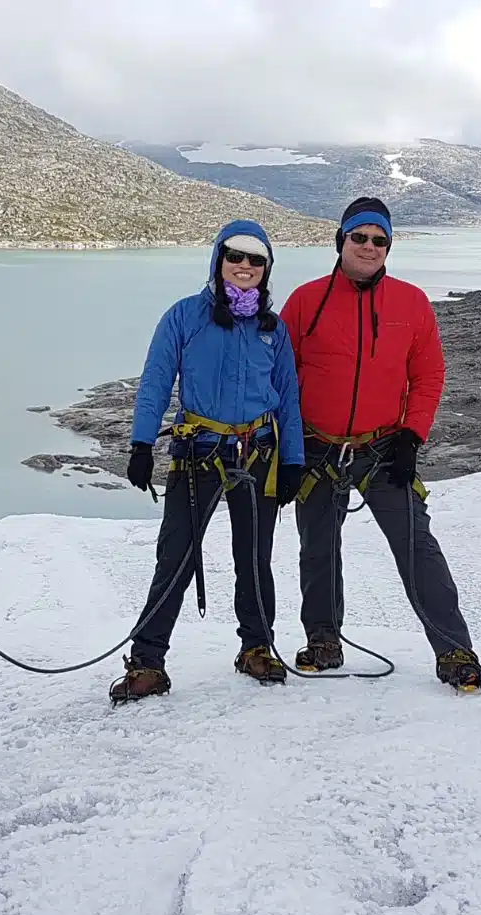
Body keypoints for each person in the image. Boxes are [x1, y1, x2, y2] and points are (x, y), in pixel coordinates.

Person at [279, 197, 481, 691]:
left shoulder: (411, 302)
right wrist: (288, 449)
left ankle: (454, 651)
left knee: (417, 545)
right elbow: (281, 379)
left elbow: (429, 374)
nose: (369, 247)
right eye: (360, 237)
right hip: (317, 447)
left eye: (380, 240)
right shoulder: (305, 301)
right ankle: (324, 639)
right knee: (319, 547)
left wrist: (413, 435)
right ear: (341, 241)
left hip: (384, 447)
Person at [108, 220, 306, 702]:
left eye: (255, 259)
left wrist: (294, 460)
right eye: (235, 255)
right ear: (218, 260)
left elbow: (288, 399)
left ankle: (257, 647)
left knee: (255, 558)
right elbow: (156, 380)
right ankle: (148, 662)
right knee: (175, 557)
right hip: (198, 453)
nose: (244, 265)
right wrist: (140, 445)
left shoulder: (272, 330)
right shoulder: (184, 317)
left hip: (258, 453)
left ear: (266, 268)